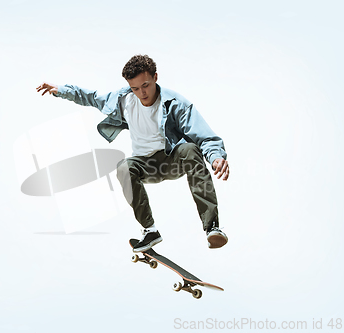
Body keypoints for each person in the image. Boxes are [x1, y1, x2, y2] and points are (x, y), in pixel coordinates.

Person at [36, 54, 229, 252]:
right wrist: (60, 91)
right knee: (124, 167)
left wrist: (216, 157)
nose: (142, 93)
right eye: (135, 88)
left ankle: (212, 228)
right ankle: (150, 230)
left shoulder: (176, 103)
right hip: (146, 165)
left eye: (145, 85)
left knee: (189, 148)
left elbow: (204, 135)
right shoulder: (123, 99)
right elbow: (91, 97)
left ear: (155, 77)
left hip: (172, 159)